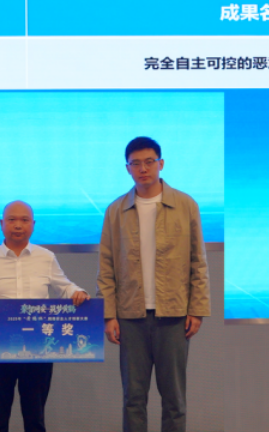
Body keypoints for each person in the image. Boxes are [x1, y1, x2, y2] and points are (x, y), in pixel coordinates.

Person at [96, 137, 210, 432]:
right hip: (130, 316)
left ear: (161, 164)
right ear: (128, 168)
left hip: (174, 314)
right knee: (133, 398)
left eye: (149, 162)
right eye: (136, 163)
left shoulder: (185, 205)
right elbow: (106, 266)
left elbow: (198, 261)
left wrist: (197, 309)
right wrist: (108, 315)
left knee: (174, 399)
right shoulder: (115, 210)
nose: (143, 169)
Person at [0, 200, 89, 432]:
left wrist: (77, 292)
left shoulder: (46, 257)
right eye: (12, 220)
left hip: (38, 349)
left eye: (24, 220)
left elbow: (64, 286)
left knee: (35, 420)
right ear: (2, 224)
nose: (18, 225)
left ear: (33, 224)